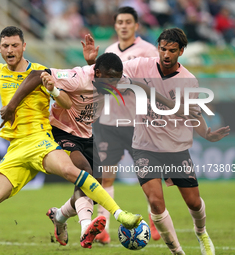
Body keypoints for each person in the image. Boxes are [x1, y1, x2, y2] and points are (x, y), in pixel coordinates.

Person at [0, 26, 143, 255]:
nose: (10, 50)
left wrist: (47, 92)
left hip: (41, 141)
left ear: (24, 47)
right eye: (5, 46)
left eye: (15, 45)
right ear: (0, 49)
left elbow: (65, 101)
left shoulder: (40, 71)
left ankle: (118, 214)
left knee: (76, 172)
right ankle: (64, 217)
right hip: (15, 150)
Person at [0, 51, 201, 249]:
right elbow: (36, 74)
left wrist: (174, 106)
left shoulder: (115, 79)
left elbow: (143, 89)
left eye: (115, 81)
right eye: (108, 81)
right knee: (85, 173)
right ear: (97, 74)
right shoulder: (76, 78)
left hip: (87, 135)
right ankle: (86, 227)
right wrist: (11, 105)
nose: (113, 86)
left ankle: (59, 215)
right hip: (61, 131)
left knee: (93, 187)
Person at [86, 28, 230, 254]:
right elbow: (114, 73)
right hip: (145, 147)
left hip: (176, 148)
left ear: (181, 51)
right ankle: (177, 252)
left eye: (172, 50)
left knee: (193, 202)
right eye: (163, 49)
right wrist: (95, 65)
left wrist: (207, 134)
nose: (166, 54)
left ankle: (201, 232)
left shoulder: (188, 81)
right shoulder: (140, 66)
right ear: (158, 48)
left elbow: (194, 115)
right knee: (155, 202)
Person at [82, 6, 161, 243]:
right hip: (108, 123)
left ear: (136, 25)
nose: (124, 26)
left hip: (138, 123)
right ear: (115, 26)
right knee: (106, 177)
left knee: (147, 175)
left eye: (128, 22)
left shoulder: (148, 51)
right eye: (120, 22)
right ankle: (102, 226)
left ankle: (154, 220)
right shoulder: (108, 51)